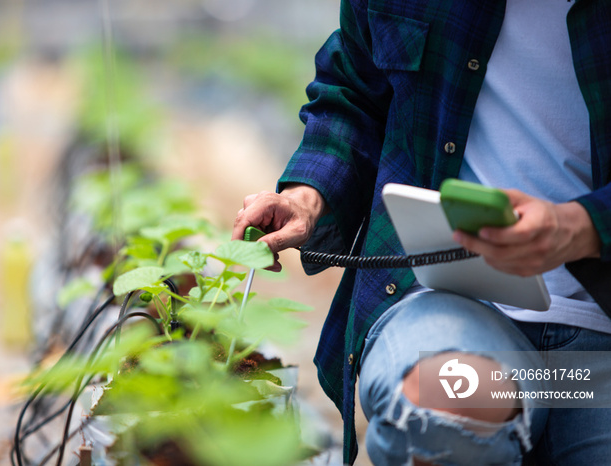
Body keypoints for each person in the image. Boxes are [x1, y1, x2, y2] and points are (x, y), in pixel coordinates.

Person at [232, 1, 611, 465]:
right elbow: (354, 92)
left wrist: (585, 225)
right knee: (441, 418)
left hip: (598, 348)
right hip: (454, 300)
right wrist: (305, 198)